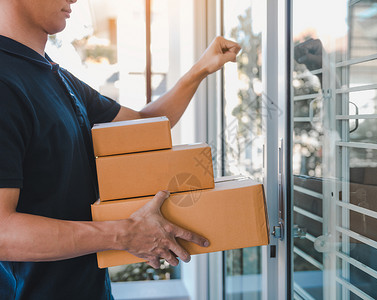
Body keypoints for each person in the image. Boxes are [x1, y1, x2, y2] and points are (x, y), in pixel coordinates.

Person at [0, 0, 241, 298]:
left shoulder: (54, 76)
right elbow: (2, 232)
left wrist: (200, 70)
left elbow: (143, 125)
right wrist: (125, 234)